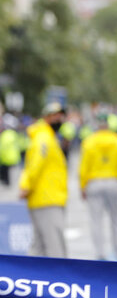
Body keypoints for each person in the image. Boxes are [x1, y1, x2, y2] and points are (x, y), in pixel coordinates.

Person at [18, 102, 69, 257]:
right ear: (46, 117)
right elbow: (35, 164)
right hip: (47, 198)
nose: (59, 119)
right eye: (55, 116)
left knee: (39, 247)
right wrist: (26, 186)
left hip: (47, 197)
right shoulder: (44, 138)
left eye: (60, 116)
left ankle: (30, 272)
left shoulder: (47, 137)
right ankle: (58, 273)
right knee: (54, 247)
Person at [79, 115, 117, 260]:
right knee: (116, 219)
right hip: (113, 182)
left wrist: (82, 187)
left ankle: (100, 253)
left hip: (94, 183)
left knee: (96, 220)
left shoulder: (89, 142)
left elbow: (83, 169)